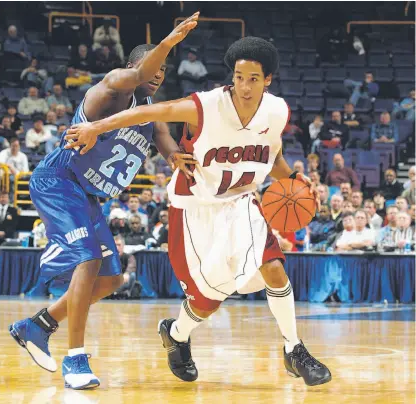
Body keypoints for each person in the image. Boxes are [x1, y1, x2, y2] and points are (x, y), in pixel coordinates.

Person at [66, 36, 331, 386]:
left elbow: (274, 158)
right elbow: (148, 111)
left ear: (268, 80)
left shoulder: (277, 111)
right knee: (207, 302)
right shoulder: (205, 105)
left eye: (253, 78)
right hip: (194, 207)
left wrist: (296, 179)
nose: (244, 86)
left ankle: (293, 349)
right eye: (239, 77)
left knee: (274, 269)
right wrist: (94, 127)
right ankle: (176, 335)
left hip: (242, 203)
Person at [8, 13, 200, 390]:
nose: (158, 75)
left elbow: (164, 140)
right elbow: (141, 70)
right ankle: (75, 358)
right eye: (152, 68)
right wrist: (170, 41)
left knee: (111, 278)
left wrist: (178, 158)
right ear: (135, 67)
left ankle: (37, 326)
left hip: (90, 197)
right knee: (88, 259)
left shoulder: (149, 111)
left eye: (162, 71)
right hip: (59, 179)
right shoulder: (114, 85)